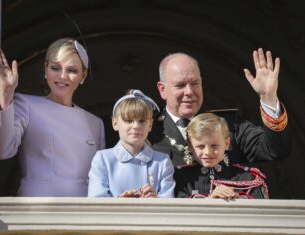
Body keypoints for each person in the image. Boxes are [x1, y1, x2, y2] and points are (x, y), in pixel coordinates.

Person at [0, 38, 105, 197]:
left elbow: (100, 179)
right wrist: (6, 94)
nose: (62, 76)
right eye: (55, 68)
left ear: (83, 76)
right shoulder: (26, 104)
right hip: (38, 211)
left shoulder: (95, 123)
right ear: (46, 69)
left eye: (72, 70)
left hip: (82, 213)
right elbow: (2, 151)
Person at [150, 48, 291, 169]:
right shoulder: (149, 132)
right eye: (180, 85)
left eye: (195, 83)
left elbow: (275, 150)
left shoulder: (229, 125)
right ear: (162, 90)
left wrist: (269, 97)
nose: (189, 91)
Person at [88, 89, 175, 198]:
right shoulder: (103, 159)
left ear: (150, 125)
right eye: (129, 121)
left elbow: (169, 206)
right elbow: (96, 201)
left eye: (142, 121)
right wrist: (120, 203)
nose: (136, 126)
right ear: (115, 123)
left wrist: (155, 200)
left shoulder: (162, 162)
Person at [175, 113, 269, 199]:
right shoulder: (180, 178)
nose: (208, 152)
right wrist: (209, 200)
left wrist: (238, 200)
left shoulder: (247, 178)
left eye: (214, 146)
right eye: (200, 146)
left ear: (227, 143)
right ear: (190, 146)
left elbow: (260, 212)